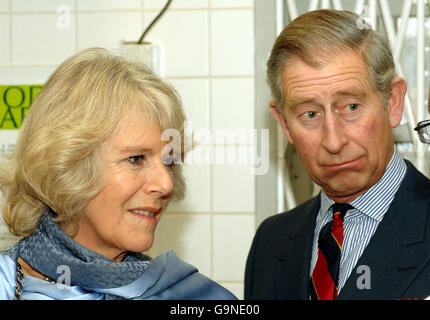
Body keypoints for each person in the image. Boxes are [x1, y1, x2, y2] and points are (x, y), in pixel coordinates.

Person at [0, 47, 236, 300]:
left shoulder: (198, 298)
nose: (166, 184)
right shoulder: (7, 283)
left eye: (169, 162)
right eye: (136, 159)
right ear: (66, 166)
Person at [245, 9, 430, 300]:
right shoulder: (271, 242)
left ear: (393, 103)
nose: (333, 141)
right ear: (284, 124)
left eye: (351, 107)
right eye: (309, 114)